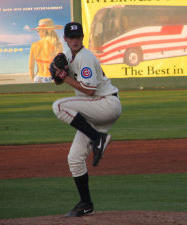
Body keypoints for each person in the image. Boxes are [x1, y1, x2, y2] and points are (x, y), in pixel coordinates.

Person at [52, 22, 122, 217]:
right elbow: (58, 79)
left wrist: (65, 78)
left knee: (59, 106)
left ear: (82, 38)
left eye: (78, 37)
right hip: (95, 110)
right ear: (65, 39)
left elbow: (90, 90)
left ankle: (97, 138)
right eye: (71, 37)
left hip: (105, 104)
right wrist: (57, 74)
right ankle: (86, 203)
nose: (75, 40)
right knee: (74, 158)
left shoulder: (85, 57)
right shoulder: (68, 56)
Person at [29, 18, 63, 83]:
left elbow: (31, 66)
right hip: (51, 78)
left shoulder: (34, 45)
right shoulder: (57, 45)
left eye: (38, 31)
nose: (38, 33)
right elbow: (59, 65)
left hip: (38, 78)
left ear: (43, 31)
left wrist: (33, 79)